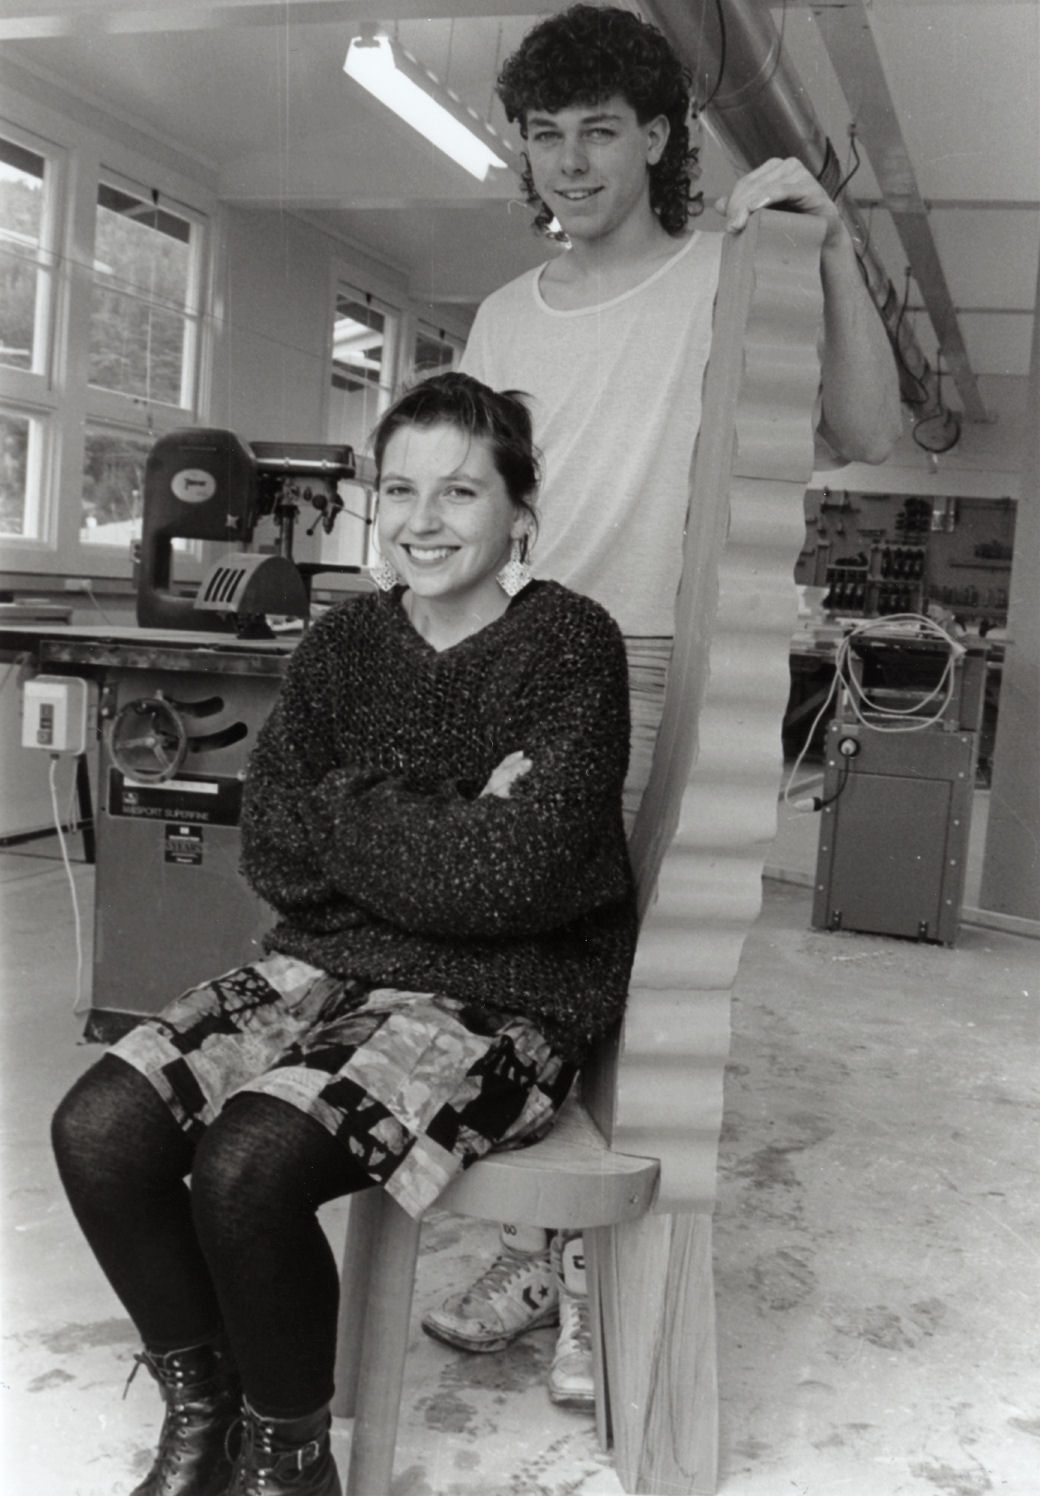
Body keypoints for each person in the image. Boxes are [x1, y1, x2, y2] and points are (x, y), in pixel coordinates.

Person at [420, 3, 903, 1408]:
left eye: (600, 131)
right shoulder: (506, 312)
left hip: (659, 670)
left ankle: (589, 1286)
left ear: (657, 139)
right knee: (514, 980)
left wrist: (838, 247)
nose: (570, 160)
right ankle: (540, 1246)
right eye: (545, 132)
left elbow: (868, 431)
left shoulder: (726, 277)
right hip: (512, 670)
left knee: (637, 997)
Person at [51, 372, 637, 1496]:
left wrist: (356, 815)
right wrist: (454, 813)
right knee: (100, 1129)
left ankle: (289, 1457)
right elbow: (271, 843)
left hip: (508, 997)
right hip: (317, 968)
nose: (423, 519)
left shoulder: (570, 644)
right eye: (402, 488)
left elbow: (511, 885)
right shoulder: (339, 646)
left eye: (460, 490)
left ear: (519, 507)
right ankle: (205, 1409)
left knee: (249, 1161)